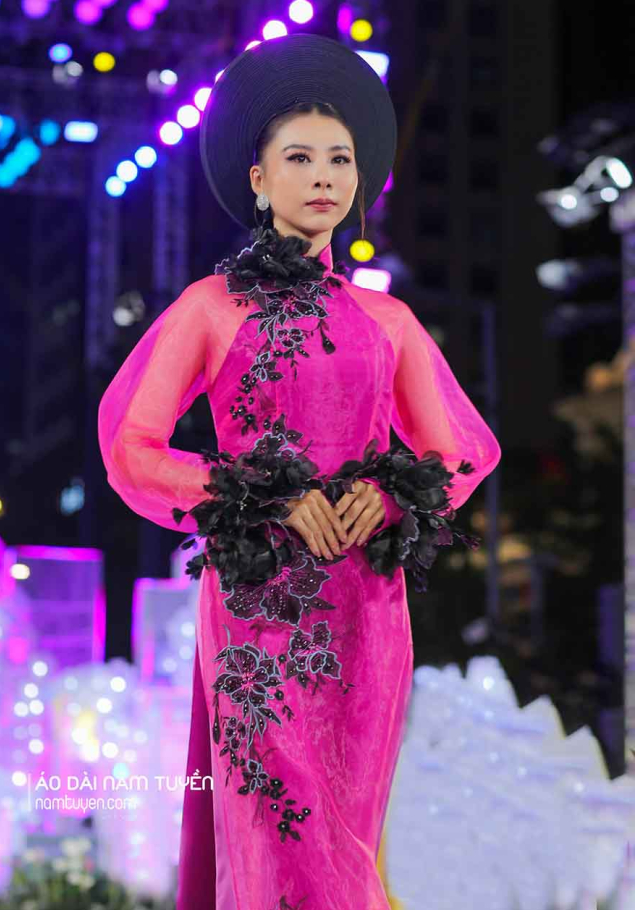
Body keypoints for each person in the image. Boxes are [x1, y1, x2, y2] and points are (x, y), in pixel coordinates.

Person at [98, 33, 501, 910]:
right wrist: (266, 501)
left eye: (340, 159)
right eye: (300, 157)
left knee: (349, 833)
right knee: (280, 829)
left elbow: (465, 449)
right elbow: (132, 447)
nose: (323, 176)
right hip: (258, 608)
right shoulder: (211, 309)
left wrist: (388, 495)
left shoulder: (389, 322)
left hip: (366, 609)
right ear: (258, 178)